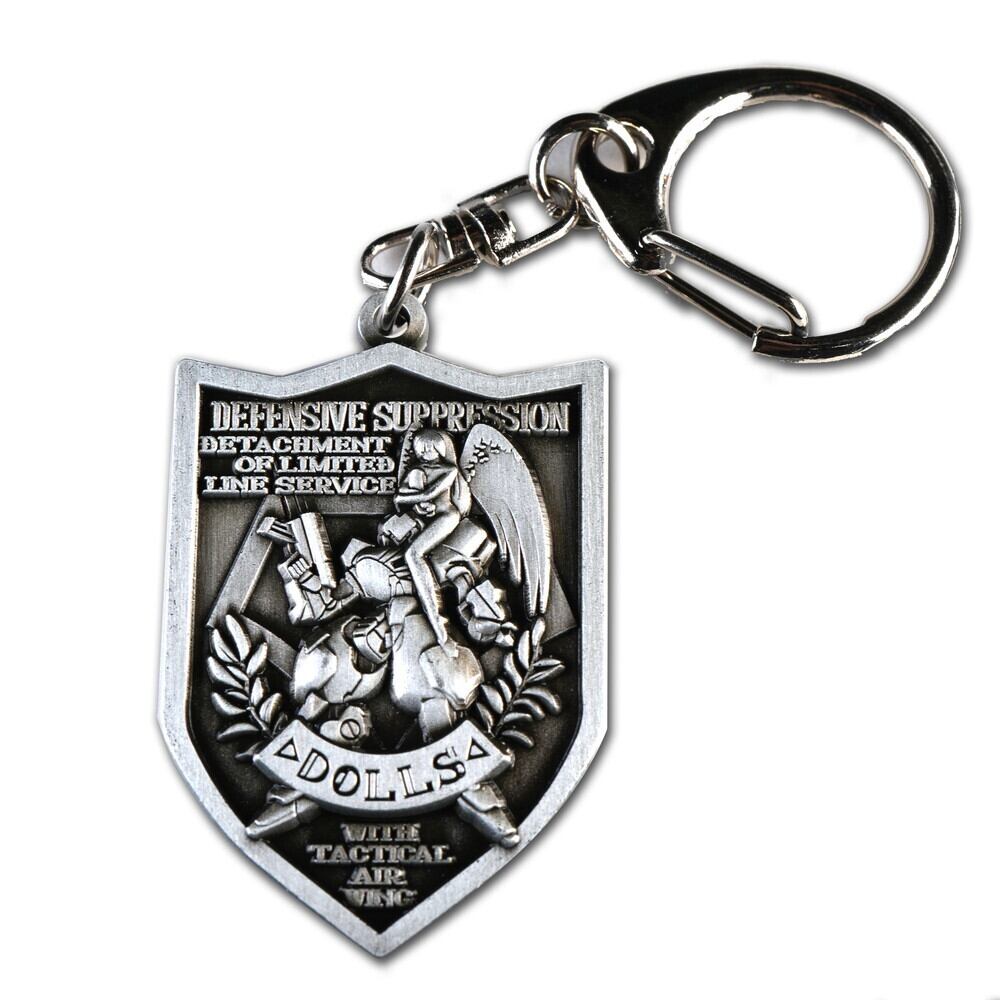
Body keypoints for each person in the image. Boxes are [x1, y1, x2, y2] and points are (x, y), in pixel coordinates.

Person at [393, 429, 471, 647]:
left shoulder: (449, 469)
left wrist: (410, 499)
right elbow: (399, 498)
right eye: (421, 448)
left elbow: (428, 494)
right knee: (412, 555)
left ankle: (437, 618)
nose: (425, 452)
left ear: (440, 447)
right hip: (426, 519)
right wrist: (415, 504)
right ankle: (433, 614)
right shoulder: (416, 471)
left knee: (413, 555)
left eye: (430, 446)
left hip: (446, 517)